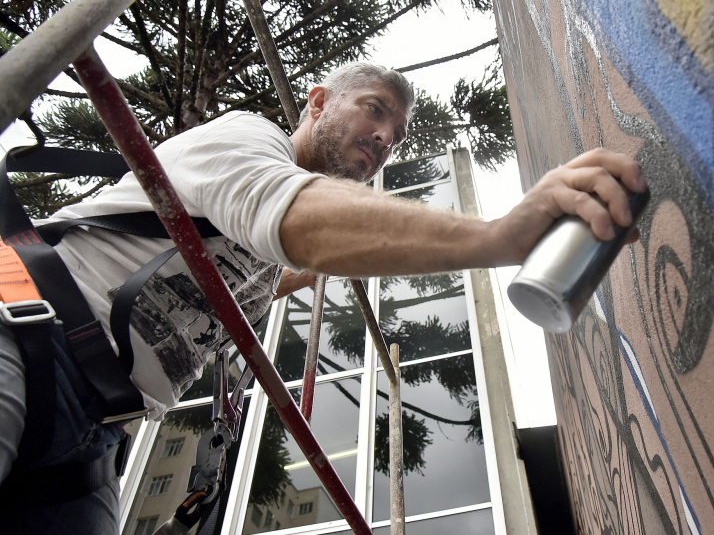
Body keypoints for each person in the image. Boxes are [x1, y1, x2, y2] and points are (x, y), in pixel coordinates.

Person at [0, 62, 645, 533]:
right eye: (374, 109)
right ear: (315, 102)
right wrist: (498, 236)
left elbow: (278, 263)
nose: (385, 137)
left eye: (395, 133)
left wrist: (310, 272)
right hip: (32, 334)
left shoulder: (274, 237)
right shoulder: (245, 139)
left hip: (97, 431)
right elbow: (291, 213)